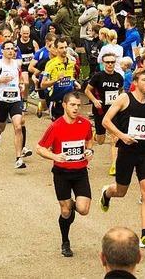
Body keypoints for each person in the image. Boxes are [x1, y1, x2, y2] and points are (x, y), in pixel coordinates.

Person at [100, 68, 145, 249]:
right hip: (126, 151)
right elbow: (106, 121)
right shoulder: (124, 98)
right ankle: (106, 193)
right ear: (135, 82)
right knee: (121, 191)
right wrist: (122, 136)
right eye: (144, 80)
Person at [36, 91, 94, 258]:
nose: (76, 108)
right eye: (72, 105)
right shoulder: (56, 126)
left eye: (78, 105)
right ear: (64, 105)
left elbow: (89, 140)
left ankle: (71, 204)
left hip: (80, 172)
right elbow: (40, 148)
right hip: (61, 173)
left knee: (83, 209)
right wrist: (55, 156)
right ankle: (65, 241)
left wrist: (89, 150)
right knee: (66, 211)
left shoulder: (85, 124)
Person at [0, 40, 30, 169]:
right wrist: (0, 80)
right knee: (1, 126)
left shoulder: (17, 64)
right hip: (2, 101)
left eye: (13, 49)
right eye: (8, 49)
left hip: (15, 100)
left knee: (17, 127)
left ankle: (18, 158)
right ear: (2, 51)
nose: (11, 51)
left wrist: (21, 85)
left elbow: (19, 77)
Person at [84, 53, 123, 175]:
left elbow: (121, 91)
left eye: (112, 62)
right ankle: (95, 135)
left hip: (114, 111)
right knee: (101, 140)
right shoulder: (98, 76)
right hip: (100, 110)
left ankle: (115, 165)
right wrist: (95, 101)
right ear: (103, 63)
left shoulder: (119, 77)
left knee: (115, 138)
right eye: (107, 62)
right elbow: (87, 90)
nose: (110, 64)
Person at [40, 36, 80, 120]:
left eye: (66, 47)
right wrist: (56, 80)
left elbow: (70, 77)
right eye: (61, 48)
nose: (64, 50)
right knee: (58, 128)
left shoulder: (71, 62)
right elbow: (42, 85)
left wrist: (75, 83)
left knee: (70, 126)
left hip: (69, 100)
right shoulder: (50, 64)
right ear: (56, 49)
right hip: (56, 100)